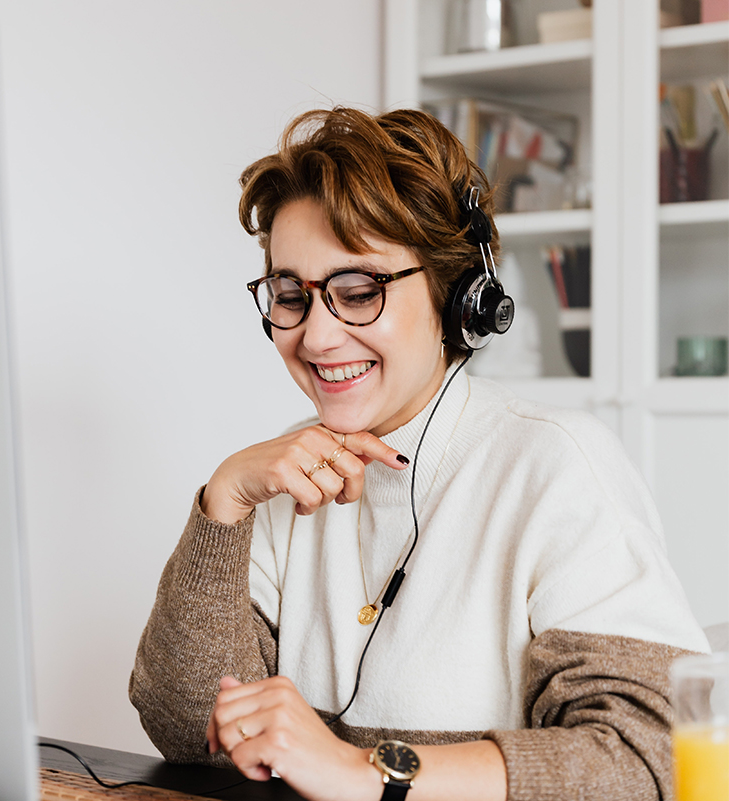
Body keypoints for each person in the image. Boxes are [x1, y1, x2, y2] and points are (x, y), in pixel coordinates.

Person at [129, 107, 708, 801]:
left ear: (456, 293)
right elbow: (188, 729)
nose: (315, 337)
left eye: (360, 291)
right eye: (291, 294)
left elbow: (651, 758)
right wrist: (223, 503)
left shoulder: (555, 465)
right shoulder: (285, 477)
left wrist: (366, 771)